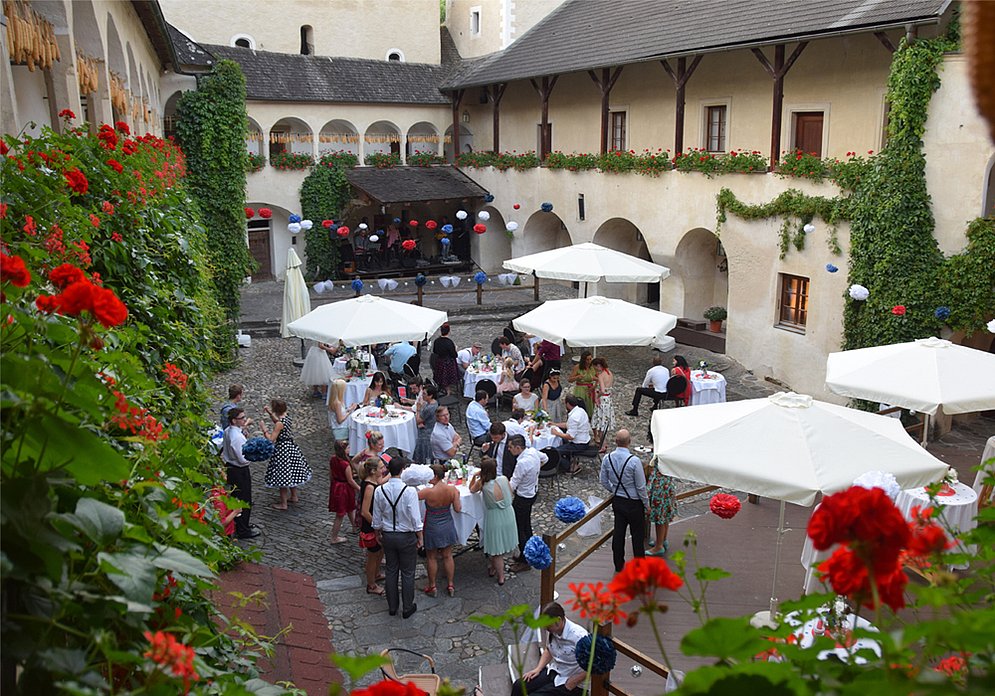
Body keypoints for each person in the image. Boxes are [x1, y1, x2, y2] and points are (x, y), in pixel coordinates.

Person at [372, 456, 423, 618]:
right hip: (406, 535)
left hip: (388, 534)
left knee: (391, 570)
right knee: (408, 572)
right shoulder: (409, 492)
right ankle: (407, 607)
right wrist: (420, 537)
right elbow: (416, 518)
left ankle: (392, 606)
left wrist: (377, 532)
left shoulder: (380, 491)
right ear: (402, 471)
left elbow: (377, 516)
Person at [510, 602, 587, 696]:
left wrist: (572, 683)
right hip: (555, 671)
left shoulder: (579, 637)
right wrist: (538, 669)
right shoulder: (553, 630)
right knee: (519, 686)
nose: (546, 628)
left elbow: (592, 666)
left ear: (558, 620)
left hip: (571, 682)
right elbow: (549, 649)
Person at [599, 429, 648, 572]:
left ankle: (618, 564)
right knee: (637, 536)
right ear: (630, 442)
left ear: (616, 441)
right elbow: (640, 486)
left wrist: (614, 490)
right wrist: (646, 504)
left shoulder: (607, 458)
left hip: (618, 500)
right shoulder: (634, 461)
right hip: (634, 503)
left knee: (619, 532)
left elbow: (603, 480)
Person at [469, 457, 518, 585]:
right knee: (497, 545)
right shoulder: (504, 479)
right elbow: (511, 492)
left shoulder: (482, 484)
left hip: (495, 516)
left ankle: (501, 576)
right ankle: (492, 568)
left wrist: (475, 476)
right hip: (508, 513)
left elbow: (471, 490)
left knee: (496, 549)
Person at [417, 463, 462, 597]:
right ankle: (450, 584)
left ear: (435, 476)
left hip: (432, 525)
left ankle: (432, 586)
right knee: (448, 556)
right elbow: (458, 509)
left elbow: (410, 498)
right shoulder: (452, 489)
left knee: (431, 557)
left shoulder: (428, 492)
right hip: (447, 524)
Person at [261, 399, 312, 510]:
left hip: (282, 450)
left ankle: (283, 504)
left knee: (282, 476)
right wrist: (270, 413)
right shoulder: (287, 417)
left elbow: (271, 440)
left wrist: (264, 430)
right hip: (291, 448)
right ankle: (294, 496)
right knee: (292, 472)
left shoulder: (279, 424)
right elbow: (278, 422)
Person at [507, 434, 546, 573]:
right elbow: (545, 458)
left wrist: (502, 494)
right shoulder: (533, 452)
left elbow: (513, 483)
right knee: (526, 526)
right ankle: (529, 553)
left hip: (522, 497)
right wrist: (535, 473)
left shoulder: (522, 463)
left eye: (511, 447)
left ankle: (525, 560)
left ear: (518, 448)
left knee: (520, 529)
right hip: (532, 493)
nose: (509, 449)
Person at [220, 408, 259, 539]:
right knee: (244, 498)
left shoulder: (228, 431)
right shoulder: (236, 437)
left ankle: (239, 523)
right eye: (241, 418)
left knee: (236, 496)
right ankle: (243, 528)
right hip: (239, 470)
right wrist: (253, 455)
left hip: (231, 467)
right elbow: (242, 458)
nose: (244, 420)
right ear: (233, 420)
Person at [359, 458, 385, 595]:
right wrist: (377, 526)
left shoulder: (373, 482)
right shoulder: (369, 487)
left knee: (380, 551)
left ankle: (376, 574)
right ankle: (371, 585)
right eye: (381, 468)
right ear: (373, 471)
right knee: (372, 557)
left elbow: (381, 482)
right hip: (370, 527)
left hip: (375, 524)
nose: (383, 469)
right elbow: (364, 511)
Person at [328, 439, 360, 544]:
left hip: (336, 486)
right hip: (344, 489)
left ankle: (355, 527)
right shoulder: (345, 464)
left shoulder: (333, 459)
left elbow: (331, 474)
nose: (350, 449)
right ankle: (334, 537)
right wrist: (359, 488)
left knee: (351, 508)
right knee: (340, 514)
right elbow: (350, 480)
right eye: (348, 448)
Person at [551, 395, 591, 475]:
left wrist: (557, 433)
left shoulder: (574, 417)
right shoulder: (581, 410)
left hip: (579, 444)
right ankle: (570, 460)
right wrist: (555, 424)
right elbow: (569, 425)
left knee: (555, 451)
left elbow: (570, 436)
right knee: (563, 441)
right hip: (585, 439)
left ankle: (571, 467)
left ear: (568, 404)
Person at [646, 463, 677, 556]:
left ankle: (659, 546)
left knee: (659, 517)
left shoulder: (662, 452)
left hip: (660, 486)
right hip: (667, 484)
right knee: (665, 515)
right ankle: (662, 540)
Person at [590, 358, 615, 453]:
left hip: (603, 400)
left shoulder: (601, 375)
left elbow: (603, 390)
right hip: (608, 399)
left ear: (598, 366)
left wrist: (597, 397)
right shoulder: (609, 373)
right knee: (604, 423)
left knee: (600, 423)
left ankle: (602, 445)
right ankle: (604, 442)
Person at [412, 384, 439, 464]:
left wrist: (418, 409)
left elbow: (418, 420)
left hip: (426, 432)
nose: (422, 395)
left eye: (424, 394)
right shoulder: (433, 403)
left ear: (430, 396)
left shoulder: (430, 408)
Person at [431, 322, 460, 395]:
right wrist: (455, 349)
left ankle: (444, 389)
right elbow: (454, 355)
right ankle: (448, 391)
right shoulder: (449, 342)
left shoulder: (437, 341)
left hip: (439, 361)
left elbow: (435, 351)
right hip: (448, 363)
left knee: (442, 377)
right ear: (449, 331)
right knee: (448, 378)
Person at [568, 351, 596, 415]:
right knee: (581, 406)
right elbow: (569, 379)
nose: (589, 361)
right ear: (583, 360)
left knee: (590, 407)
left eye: (590, 359)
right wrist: (577, 377)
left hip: (590, 389)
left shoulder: (592, 367)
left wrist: (595, 386)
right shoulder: (577, 367)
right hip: (580, 389)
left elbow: (598, 378)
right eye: (587, 360)